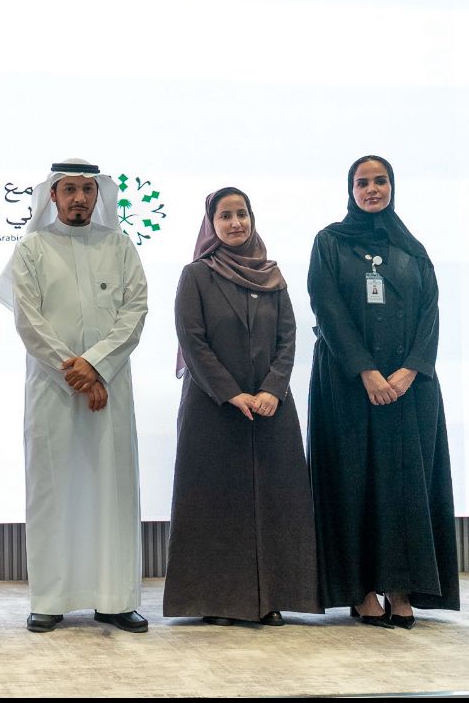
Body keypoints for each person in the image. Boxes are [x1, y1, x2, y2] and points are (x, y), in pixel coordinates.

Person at [0, 159, 148, 634]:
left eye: (87, 190)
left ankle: (115, 599)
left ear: (97, 194)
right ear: (53, 196)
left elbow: (135, 312)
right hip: (53, 392)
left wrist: (96, 365)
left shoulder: (120, 246)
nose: (79, 198)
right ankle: (50, 599)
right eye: (69, 190)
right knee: (53, 491)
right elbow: (29, 321)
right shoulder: (31, 248)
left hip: (110, 390)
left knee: (112, 491)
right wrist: (78, 374)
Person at [307, 155, 458, 629]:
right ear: (349, 189)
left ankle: (401, 587)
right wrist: (367, 372)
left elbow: (430, 314)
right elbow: (327, 308)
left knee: (404, 487)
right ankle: (361, 590)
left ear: (392, 186)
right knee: (354, 483)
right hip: (347, 385)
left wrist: (410, 371)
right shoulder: (330, 242)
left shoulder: (412, 248)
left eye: (380, 181)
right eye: (362, 182)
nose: (372, 189)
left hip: (409, 388)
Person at [162, 187, 319, 626]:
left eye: (242, 214)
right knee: (216, 503)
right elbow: (192, 339)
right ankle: (216, 601)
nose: (236, 223)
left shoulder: (272, 275)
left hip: (270, 407)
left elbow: (288, 337)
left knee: (274, 502)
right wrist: (231, 392)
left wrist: (272, 389)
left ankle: (270, 598)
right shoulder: (196, 275)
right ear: (211, 224)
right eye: (225, 215)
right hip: (213, 406)